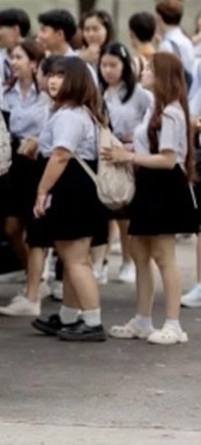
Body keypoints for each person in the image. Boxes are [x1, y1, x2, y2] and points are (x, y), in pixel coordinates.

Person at [104, 53, 199, 344]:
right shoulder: (155, 108)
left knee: (163, 256)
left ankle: (173, 324)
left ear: (162, 75)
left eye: (148, 68)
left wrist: (129, 155)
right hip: (148, 184)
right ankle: (142, 319)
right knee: (140, 253)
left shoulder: (170, 112)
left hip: (164, 186)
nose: (143, 72)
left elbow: (170, 160)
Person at [31, 57, 109, 342]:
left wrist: (42, 191)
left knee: (75, 259)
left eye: (61, 76)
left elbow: (61, 155)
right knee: (72, 257)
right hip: (78, 187)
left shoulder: (69, 115)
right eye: (51, 74)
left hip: (70, 187)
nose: (53, 80)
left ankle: (92, 320)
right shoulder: (78, 112)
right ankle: (68, 315)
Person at [0, 40, 52, 317]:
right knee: (11, 227)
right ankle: (35, 277)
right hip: (13, 163)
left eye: (19, 57)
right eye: (12, 57)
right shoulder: (7, 92)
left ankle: (34, 290)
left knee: (36, 227)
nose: (13, 62)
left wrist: (37, 141)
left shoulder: (46, 94)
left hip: (37, 164)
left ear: (34, 62)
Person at [98, 43, 152, 285]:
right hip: (104, 155)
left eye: (113, 65)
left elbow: (150, 123)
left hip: (130, 157)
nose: (108, 70)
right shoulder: (98, 92)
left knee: (124, 214)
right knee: (104, 211)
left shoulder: (140, 95)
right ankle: (101, 261)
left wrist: (134, 138)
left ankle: (128, 262)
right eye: (104, 65)